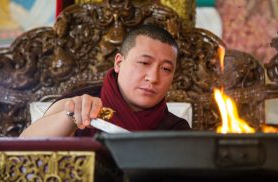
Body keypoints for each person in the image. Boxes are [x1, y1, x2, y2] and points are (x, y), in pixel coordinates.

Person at [20, 24, 190, 137]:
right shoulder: (76, 103)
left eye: (166, 69)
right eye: (144, 63)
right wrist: (71, 117)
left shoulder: (177, 130)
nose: (153, 78)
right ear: (119, 62)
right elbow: (22, 151)